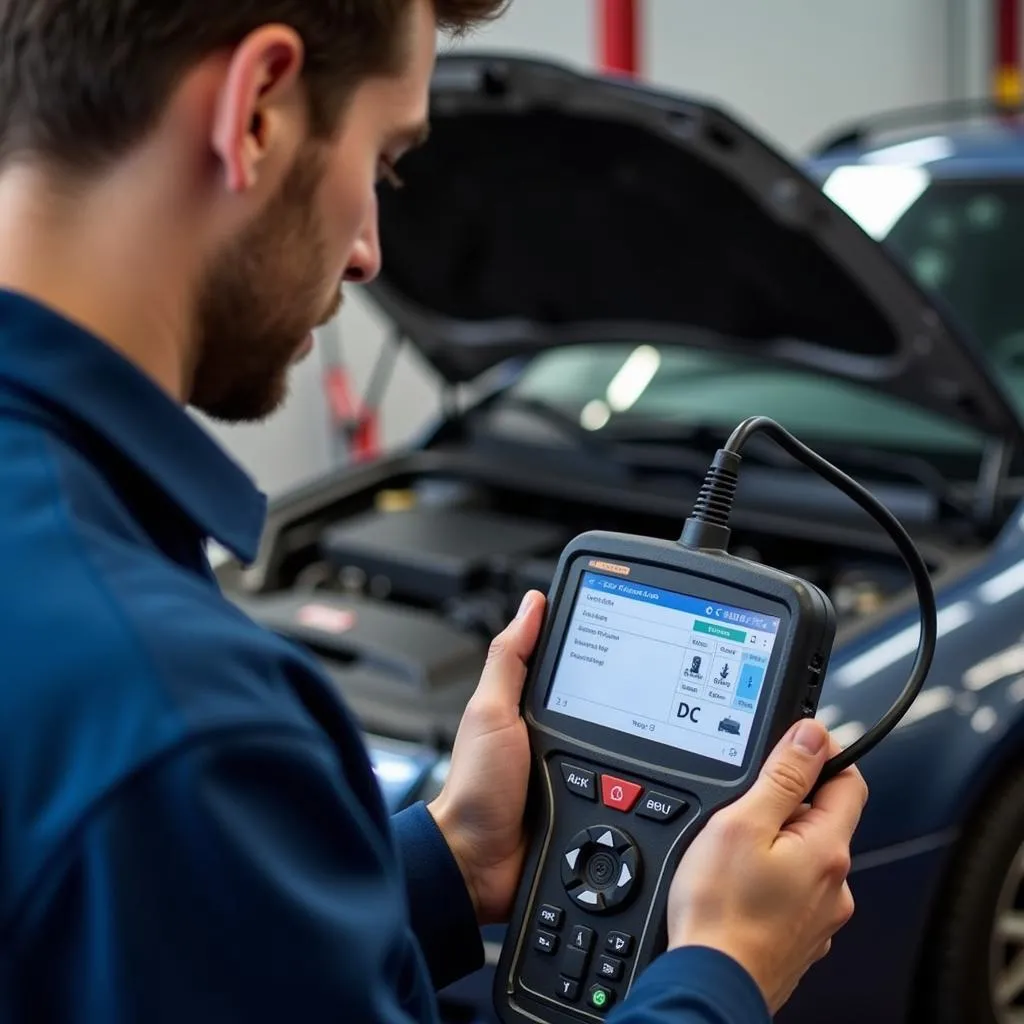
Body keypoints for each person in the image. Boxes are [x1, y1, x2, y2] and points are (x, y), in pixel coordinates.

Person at [0, 1, 868, 1021]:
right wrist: (720, 971)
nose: (369, 249)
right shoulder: (179, 720)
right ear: (256, 113)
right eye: (385, 158)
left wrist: (452, 855)